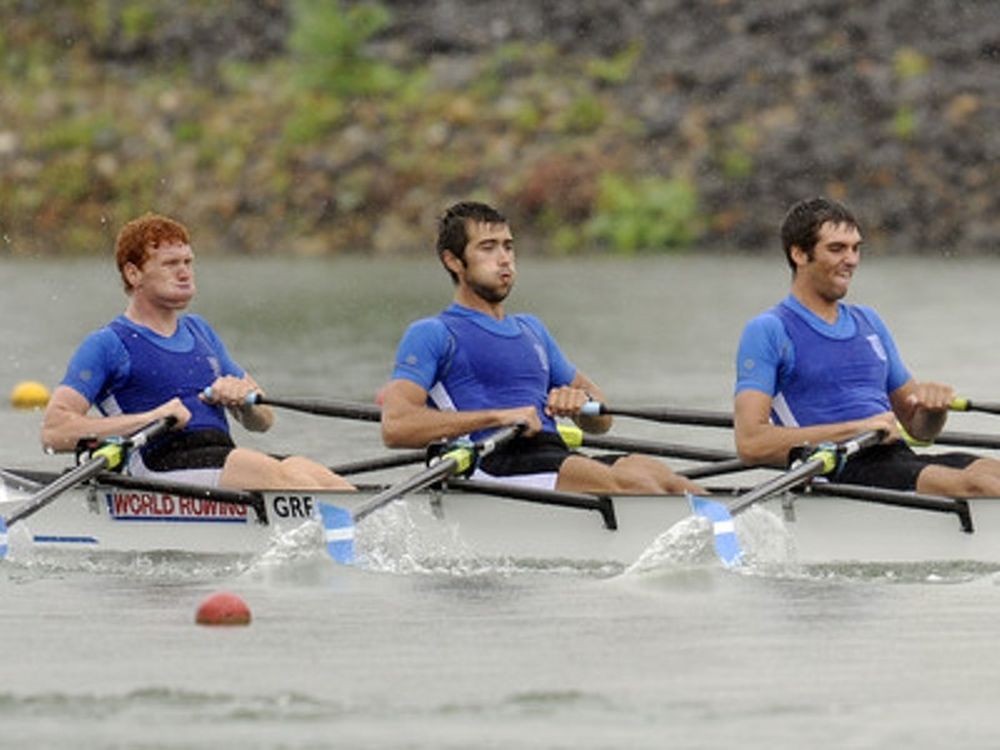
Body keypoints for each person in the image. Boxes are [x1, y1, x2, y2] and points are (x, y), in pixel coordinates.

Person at [379, 201, 703, 495]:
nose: (504, 259)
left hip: (551, 454)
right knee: (634, 485)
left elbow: (603, 419)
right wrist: (496, 417)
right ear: (453, 261)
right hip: (489, 461)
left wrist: (581, 404)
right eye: (488, 248)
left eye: (508, 247)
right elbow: (396, 426)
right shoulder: (432, 333)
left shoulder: (531, 329)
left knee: (668, 481)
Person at [40, 213, 353, 491]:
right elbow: (54, 431)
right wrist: (151, 418)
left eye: (188, 262)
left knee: (311, 473)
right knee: (278, 475)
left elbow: (264, 421)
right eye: (170, 264)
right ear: (133, 274)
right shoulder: (107, 344)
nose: (185, 272)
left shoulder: (200, 331)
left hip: (220, 458)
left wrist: (243, 403)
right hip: (158, 462)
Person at [733, 196, 1000, 497]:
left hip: (895, 460)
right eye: (837, 249)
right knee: (980, 486)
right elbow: (751, 443)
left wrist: (932, 409)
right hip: (836, 469)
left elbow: (919, 431)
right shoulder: (769, 330)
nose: (851, 259)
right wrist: (856, 429)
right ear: (799, 254)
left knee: (992, 473)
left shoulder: (869, 322)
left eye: (856, 248)